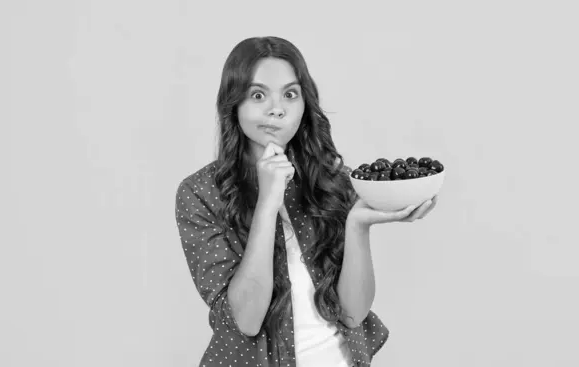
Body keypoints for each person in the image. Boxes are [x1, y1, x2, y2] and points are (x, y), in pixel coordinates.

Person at [175, 36, 438, 367]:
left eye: (290, 94)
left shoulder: (330, 182)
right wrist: (267, 204)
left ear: (304, 103)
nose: (277, 108)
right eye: (258, 95)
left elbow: (353, 315)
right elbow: (247, 318)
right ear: (234, 104)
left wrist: (357, 225)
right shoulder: (200, 193)